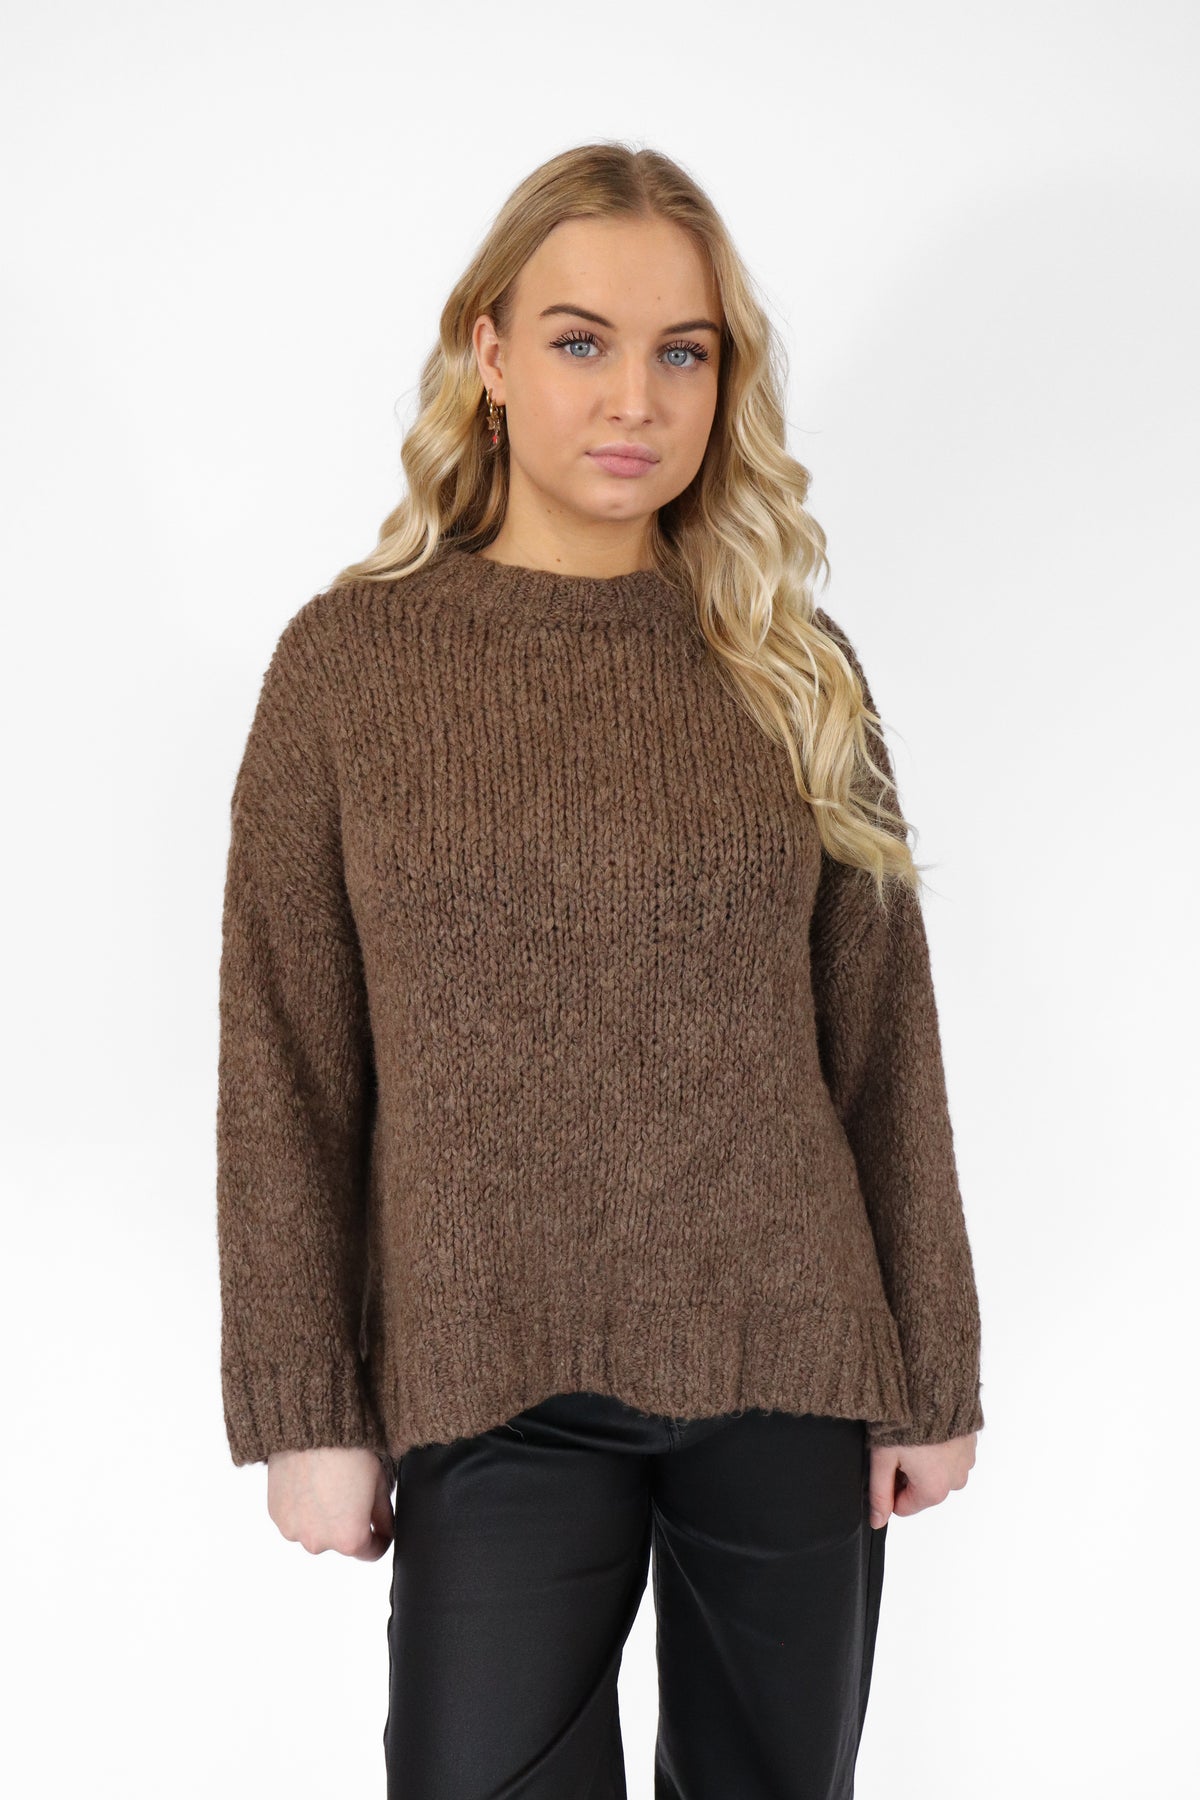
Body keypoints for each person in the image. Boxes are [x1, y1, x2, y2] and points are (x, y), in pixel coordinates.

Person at [216, 141, 984, 1799]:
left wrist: (931, 1372)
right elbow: (286, 1056)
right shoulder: (347, 670)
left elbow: (879, 1039)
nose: (635, 398)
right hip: (488, 1369)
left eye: (681, 352)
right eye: (581, 341)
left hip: (788, 1362)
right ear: (487, 354)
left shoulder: (792, 668)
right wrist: (305, 1405)